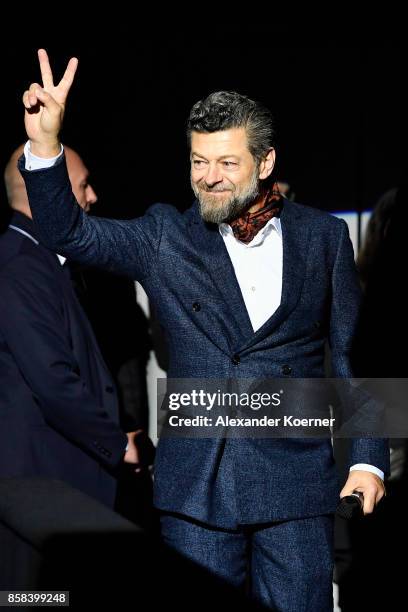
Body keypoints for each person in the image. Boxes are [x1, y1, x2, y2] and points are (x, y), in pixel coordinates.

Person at [19, 49, 388, 611]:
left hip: (297, 486)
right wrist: (46, 147)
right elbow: (68, 232)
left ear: (265, 163)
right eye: (197, 162)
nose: (208, 178)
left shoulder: (324, 238)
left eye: (226, 163)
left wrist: (367, 459)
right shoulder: (165, 235)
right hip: (196, 491)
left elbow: (353, 354)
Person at [0, 142, 144, 508]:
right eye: (83, 185)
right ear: (50, 191)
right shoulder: (20, 267)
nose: (93, 196)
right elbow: (52, 380)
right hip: (44, 483)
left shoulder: (41, 262)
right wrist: (117, 444)